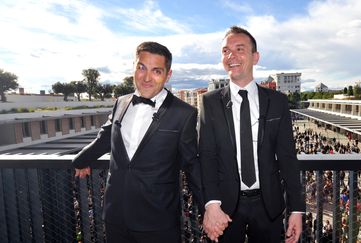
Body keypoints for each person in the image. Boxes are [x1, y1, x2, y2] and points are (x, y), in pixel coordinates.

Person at [73, 41, 203, 243]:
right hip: (116, 217)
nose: (147, 77)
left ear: (168, 75)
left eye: (156, 71)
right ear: (134, 66)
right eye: (141, 68)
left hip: (158, 222)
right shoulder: (121, 102)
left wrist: (209, 207)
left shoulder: (184, 113)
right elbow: (105, 138)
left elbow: (192, 164)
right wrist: (80, 160)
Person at [199, 26, 305, 243]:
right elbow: (206, 156)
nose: (231, 56)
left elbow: (287, 157)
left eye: (239, 49)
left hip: (268, 206)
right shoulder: (209, 102)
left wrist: (297, 210)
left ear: (255, 57)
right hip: (224, 208)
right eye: (225, 50)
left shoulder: (277, 102)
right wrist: (211, 204)